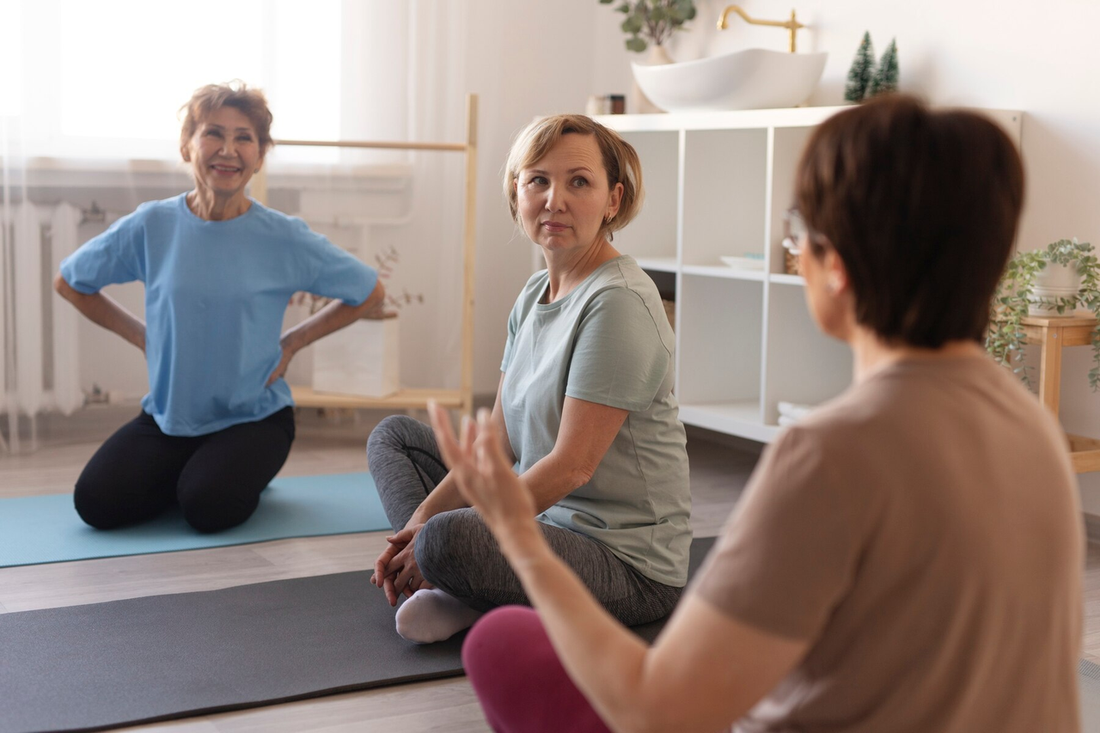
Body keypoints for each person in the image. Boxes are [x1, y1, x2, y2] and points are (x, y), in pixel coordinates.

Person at [430, 95, 1083, 733]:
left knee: (501, 644)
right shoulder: (1037, 432)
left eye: (800, 229)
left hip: (631, 576)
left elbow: (661, 710)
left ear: (832, 266)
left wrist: (517, 534)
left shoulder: (832, 455)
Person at [366, 114, 692, 644]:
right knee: (396, 440)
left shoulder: (619, 303)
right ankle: (455, 576)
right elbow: (497, 441)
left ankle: (462, 582)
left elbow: (571, 466)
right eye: (537, 179)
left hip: (626, 565)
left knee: (447, 539)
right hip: (541, 524)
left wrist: (439, 535)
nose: (553, 199)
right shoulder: (534, 292)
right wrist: (416, 525)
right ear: (516, 192)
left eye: (578, 182)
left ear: (613, 199)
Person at [55, 81, 385, 533]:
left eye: (244, 138)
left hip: (254, 417)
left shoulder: (282, 236)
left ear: (259, 156)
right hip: (169, 417)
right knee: (95, 504)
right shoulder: (153, 224)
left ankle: (214, 474)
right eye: (213, 133)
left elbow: (369, 292)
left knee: (208, 509)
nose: (228, 150)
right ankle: (203, 470)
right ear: (187, 147)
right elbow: (71, 281)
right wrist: (141, 335)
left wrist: (292, 342)